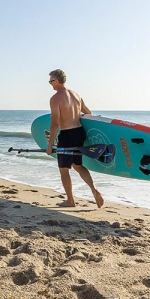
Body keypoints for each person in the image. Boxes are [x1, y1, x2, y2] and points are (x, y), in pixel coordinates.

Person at [46, 69, 104, 208]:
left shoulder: (55, 98)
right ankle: (94, 191)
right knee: (77, 165)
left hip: (67, 135)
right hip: (79, 133)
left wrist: (50, 145)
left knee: (63, 169)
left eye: (51, 81)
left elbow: (55, 124)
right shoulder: (76, 95)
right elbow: (88, 113)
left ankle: (70, 201)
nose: (50, 84)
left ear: (57, 81)